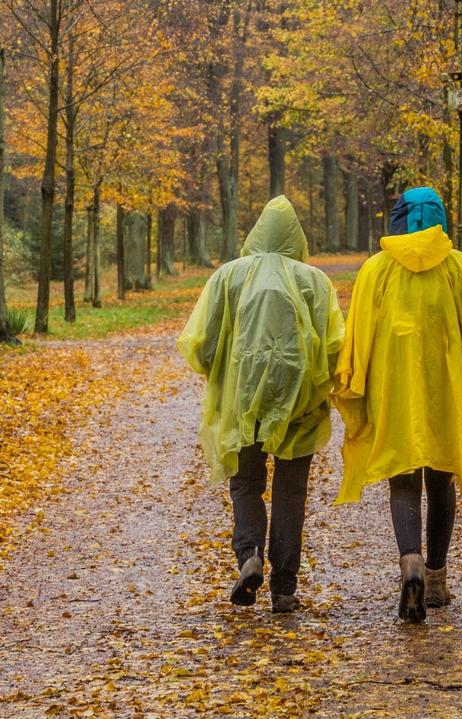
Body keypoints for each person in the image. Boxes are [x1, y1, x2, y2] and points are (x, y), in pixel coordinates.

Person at [332, 187, 462, 623]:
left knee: (402, 480)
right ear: (440, 220)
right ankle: (436, 578)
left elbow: (358, 339)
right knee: (440, 481)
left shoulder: (376, 271)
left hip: (393, 395)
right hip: (446, 398)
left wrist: (351, 387)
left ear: (398, 219)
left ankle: (410, 563)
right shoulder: (461, 268)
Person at [178, 195, 344, 613]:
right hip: (299, 404)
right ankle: (284, 588)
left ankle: (250, 555)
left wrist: (223, 373)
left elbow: (202, 342)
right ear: (297, 237)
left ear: (255, 233)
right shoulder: (314, 281)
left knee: (247, 483)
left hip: (241, 400)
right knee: (291, 491)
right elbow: (336, 347)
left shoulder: (228, 277)